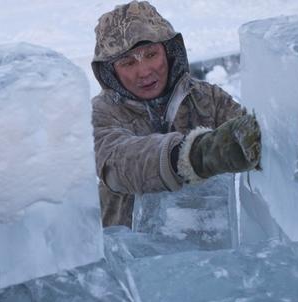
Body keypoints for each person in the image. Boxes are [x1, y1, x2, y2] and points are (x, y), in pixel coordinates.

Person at [91, 0, 261, 227]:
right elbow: (117, 164)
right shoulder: (100, 113)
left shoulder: (208, 98)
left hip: (208, 247)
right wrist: (194, 154)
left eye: (151, 54)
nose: (144, 71)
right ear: (111, 72)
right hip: (129, 254)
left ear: (169, 53)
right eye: (128, 62)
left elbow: (257, 137)